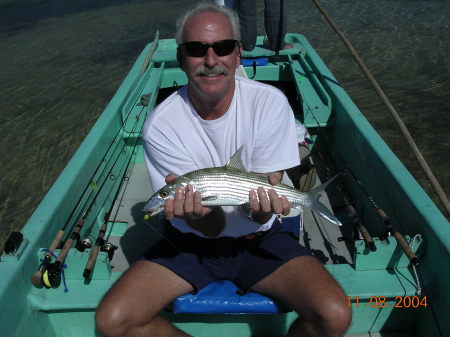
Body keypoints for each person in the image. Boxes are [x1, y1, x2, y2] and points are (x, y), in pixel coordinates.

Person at [95, 2, 351, 337]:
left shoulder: (269, 103)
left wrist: (262, 209)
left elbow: (259, 217)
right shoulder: (162, 126)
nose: (211, 60)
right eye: (197, 49)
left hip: (261, 239)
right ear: (181, 59)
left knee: (334, 315)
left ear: (238, 54)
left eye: (224, 47)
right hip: (190, 245)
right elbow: (211, 229)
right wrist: (198, 216)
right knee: (112, 320)